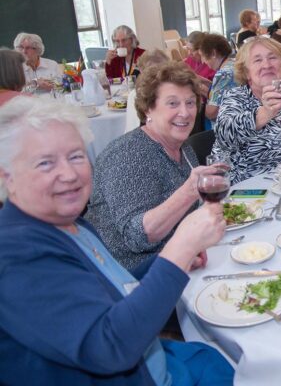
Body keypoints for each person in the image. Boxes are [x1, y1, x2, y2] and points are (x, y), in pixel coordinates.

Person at [0, 96, 233, 385]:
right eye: (45, 163)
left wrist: (173, 262)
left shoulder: (69, 224)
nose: (69, 174)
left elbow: (115, 288)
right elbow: (109, 348)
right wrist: (179, 248)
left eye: (76, 156)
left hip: (160, 361)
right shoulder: (15, 254)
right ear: (6, 176)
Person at [86, 62, 218, 270]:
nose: (185, 113)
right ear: (149, 108)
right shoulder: (127, 155)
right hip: (133, 275)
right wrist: (189, 192)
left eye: (190, 103)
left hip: (178, 255)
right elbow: (137, 236)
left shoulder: (182, 147)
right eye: (173, 104)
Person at [213, 37, 281, 184]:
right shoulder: (235, 97)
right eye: (257, 60)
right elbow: (223, 135)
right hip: (250, 190)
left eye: (272, 58)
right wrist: (264, 113)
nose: (267, 65)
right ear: (246, 72)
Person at [124, 49, 172, 134]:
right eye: (152, 72)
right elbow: (134, 127)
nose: (157, 76)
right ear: (142, 71)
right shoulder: (136, 94)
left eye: (161, 71)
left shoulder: (172, 91)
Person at [200, 34, 236, 125]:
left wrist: (193, 103)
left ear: (213, 53)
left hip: (228, 128)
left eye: (203, 56)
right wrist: (201, 82)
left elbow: (211, 113)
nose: (203, 61)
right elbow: (219, 93)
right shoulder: (233, 64)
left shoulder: (224, 74)